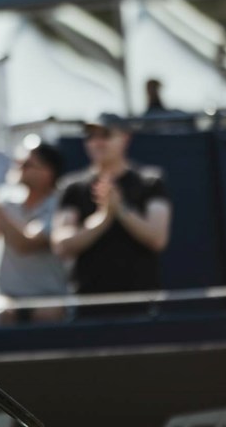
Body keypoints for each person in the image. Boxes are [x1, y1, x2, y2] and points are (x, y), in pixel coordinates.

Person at [51, 114, 172, 305]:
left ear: (125, 138)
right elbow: (62, 245)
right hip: (89, 302)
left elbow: (157, 239)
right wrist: (104, 217)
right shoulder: (72, 187)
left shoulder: (150, 182)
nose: (97, 142)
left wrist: (121, 209)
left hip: (142, 300)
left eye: (105, 135)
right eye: (91, 136)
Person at [0, 136, 68, 323]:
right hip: (3, 298)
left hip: (49, 300)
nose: (18, 167)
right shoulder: (4, 197)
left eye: (27, 164)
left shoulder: (61, 204)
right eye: (18, 162)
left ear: (48, 172)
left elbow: (26, 243)